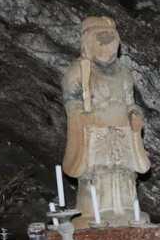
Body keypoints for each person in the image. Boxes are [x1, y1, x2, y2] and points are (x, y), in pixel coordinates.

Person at [62, 16, 149, 221]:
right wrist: (93, 117)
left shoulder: (124, 72)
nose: (106, 44)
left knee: (123, 174)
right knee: (97, 174)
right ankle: (92, 213)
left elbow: (130, 102)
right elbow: (72, 104)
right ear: (88, 42)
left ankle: (126, 210)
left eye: (110, 39)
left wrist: (135, 114)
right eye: (100, 39)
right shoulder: (79, 71)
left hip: (122, 135)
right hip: (95, 136)